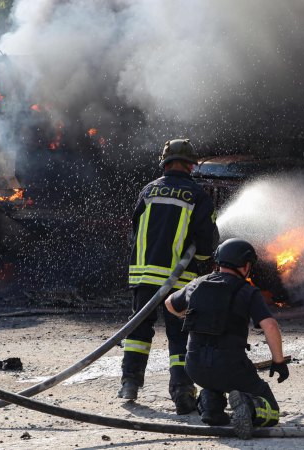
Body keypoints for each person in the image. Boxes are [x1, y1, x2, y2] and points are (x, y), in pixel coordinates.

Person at [119, 138, 219, 415]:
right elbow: (205, 239)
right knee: (180, 337)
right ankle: (183, 392)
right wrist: (199, 265)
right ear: (190, 164)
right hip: (178, 279)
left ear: (165, 162)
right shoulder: (197, 195)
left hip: (143, 273)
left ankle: (129, 382)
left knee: (138, 329)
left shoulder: (148, 190)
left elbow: (134, 229)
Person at [164, 238, 289, 439]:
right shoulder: (247, 291)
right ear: (246, 265)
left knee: (214, 384)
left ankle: (210, 405)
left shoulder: (197, 283)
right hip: (231, 368)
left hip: (196, 369)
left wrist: (188, 314)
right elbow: (270, 325)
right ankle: (249, 407)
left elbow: (170, 303)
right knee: (271, 410)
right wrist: (279, 361)